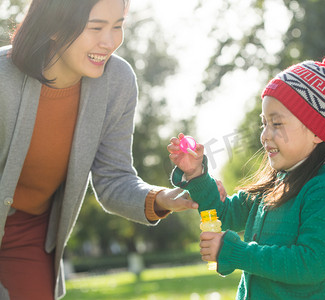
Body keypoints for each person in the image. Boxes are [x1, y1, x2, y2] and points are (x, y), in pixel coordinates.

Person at [0, 0, 199, 299]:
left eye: (117, 26)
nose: (109, 42)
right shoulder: (4, 77)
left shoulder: (117, 82)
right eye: (96, 27)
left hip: (30, 232)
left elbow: (113, 178)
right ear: (54, 25)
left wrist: (165, 198)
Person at [168, 54, 325, 299]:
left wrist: (235, 252)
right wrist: (196, 175)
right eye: (264, 123)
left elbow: (308, 265)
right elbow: (223, 216)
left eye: (276, 124)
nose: (265, 135)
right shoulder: (272, 186)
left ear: (317, 130)